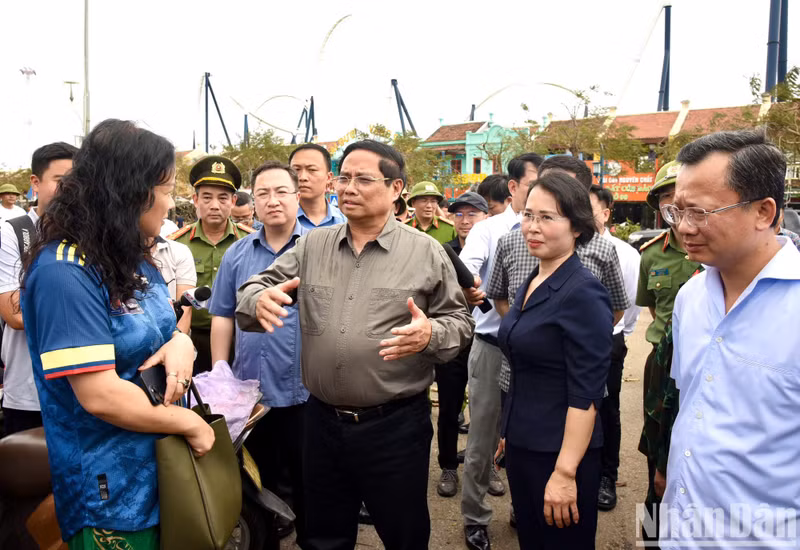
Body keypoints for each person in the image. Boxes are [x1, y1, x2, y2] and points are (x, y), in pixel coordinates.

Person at [235, 140, 474, 550]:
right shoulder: (313, 246)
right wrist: (258, 299)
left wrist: (430, 334)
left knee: (404, 533)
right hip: (321, 423)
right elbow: (255, 287)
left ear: (396, 188)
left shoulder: (426, 251)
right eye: (343, 178)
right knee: (323, 535)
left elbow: (460, 322)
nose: (348, 187)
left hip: (395, 426)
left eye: (363, 179)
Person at [20, 119, 214, 549]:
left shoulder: (130, 258)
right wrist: (187, 422)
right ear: (129, 191)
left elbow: (165, 327)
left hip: (160, 470)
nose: (171, 203)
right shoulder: (65, 272)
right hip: (109, 491)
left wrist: (181, 344)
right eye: (166, 190)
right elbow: (100, 395)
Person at [654, 129, 800, 547]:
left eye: (700, 212)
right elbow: (689, 402)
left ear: (763, 211)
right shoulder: (691, 296)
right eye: (677, 211)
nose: (684, 227)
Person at [497, 171, 612, 549]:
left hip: (560, 453)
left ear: (576, 226)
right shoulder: (535, 277)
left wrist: (565, 473)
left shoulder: (583, 292)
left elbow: (586, 394)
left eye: (547, 217)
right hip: (523, 444)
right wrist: (508, 431)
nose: (533, 227)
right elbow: (525, 368)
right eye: (528, 215)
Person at [209, 161, 309, 547]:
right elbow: (222, 315)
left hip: (306, 393)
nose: (273, 200)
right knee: (257, 482)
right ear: (253, 202)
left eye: (281, 191)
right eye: (263, 193)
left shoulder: (319, 248)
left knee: (309, 483)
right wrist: (221, 371)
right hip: (252, 394)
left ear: (297, 197)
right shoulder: (237, 254)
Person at [460, 154, 542, 550]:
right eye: (533, 184)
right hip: (493, 346)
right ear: (513, 187)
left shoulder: (560, 229)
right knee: (482, 438)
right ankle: (475, 517)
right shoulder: (489, 230)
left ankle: (523, 509)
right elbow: (467, 268)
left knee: (531, 437)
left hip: (540, 355)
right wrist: (475, 287)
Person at [635, 161, 699, 545]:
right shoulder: (650, 255)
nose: (673, 202)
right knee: (655, 451)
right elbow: (652, 308)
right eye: (665, 196)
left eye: (679, 194)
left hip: (703, 364)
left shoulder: (710, 248)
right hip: (660, 361)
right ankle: (653, 536)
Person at [0, 141, 77, 435]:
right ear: (35, 182)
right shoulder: (13, 232)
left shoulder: (91, 238)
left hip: (83, 390)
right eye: (60, 180)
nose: (69, 190)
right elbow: (14, 314)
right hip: (28, 391)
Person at [168, 156, 254, 374]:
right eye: (207, 197)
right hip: (190, 339)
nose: (215, 205)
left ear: (233, 201)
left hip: (239, 338)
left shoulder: (250, 242)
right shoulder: (176, 244)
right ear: (195, 200)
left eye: (223, 198)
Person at [588, 185, 641, 511]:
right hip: (569, 342)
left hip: (608, 340)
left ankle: (607, 476)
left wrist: (617, 334)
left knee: (607, 409)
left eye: (590, 208)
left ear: (606, 214)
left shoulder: (625, 253)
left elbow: (630, 304)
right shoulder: (565, 246)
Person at [435, 192, 488, 498]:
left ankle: (487, 467)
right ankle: (448, 466)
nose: (465, 221)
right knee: (449, 407)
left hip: (487, 339)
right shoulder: (444, 252)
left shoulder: (497, 247)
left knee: (486, 409)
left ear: (486, 217)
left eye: (472, 214)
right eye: (459, 214)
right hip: (454, 342)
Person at [289, 143, 346, 229]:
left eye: (312, 170)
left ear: (329, 177)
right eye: (296, 170)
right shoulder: (278, 221)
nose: (303, 177)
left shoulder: (345, 222)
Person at [151, 231, 196, 334]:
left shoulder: (179, 251)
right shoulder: (116, 253)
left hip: (173, 335)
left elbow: (185, 307)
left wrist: (179, 340)